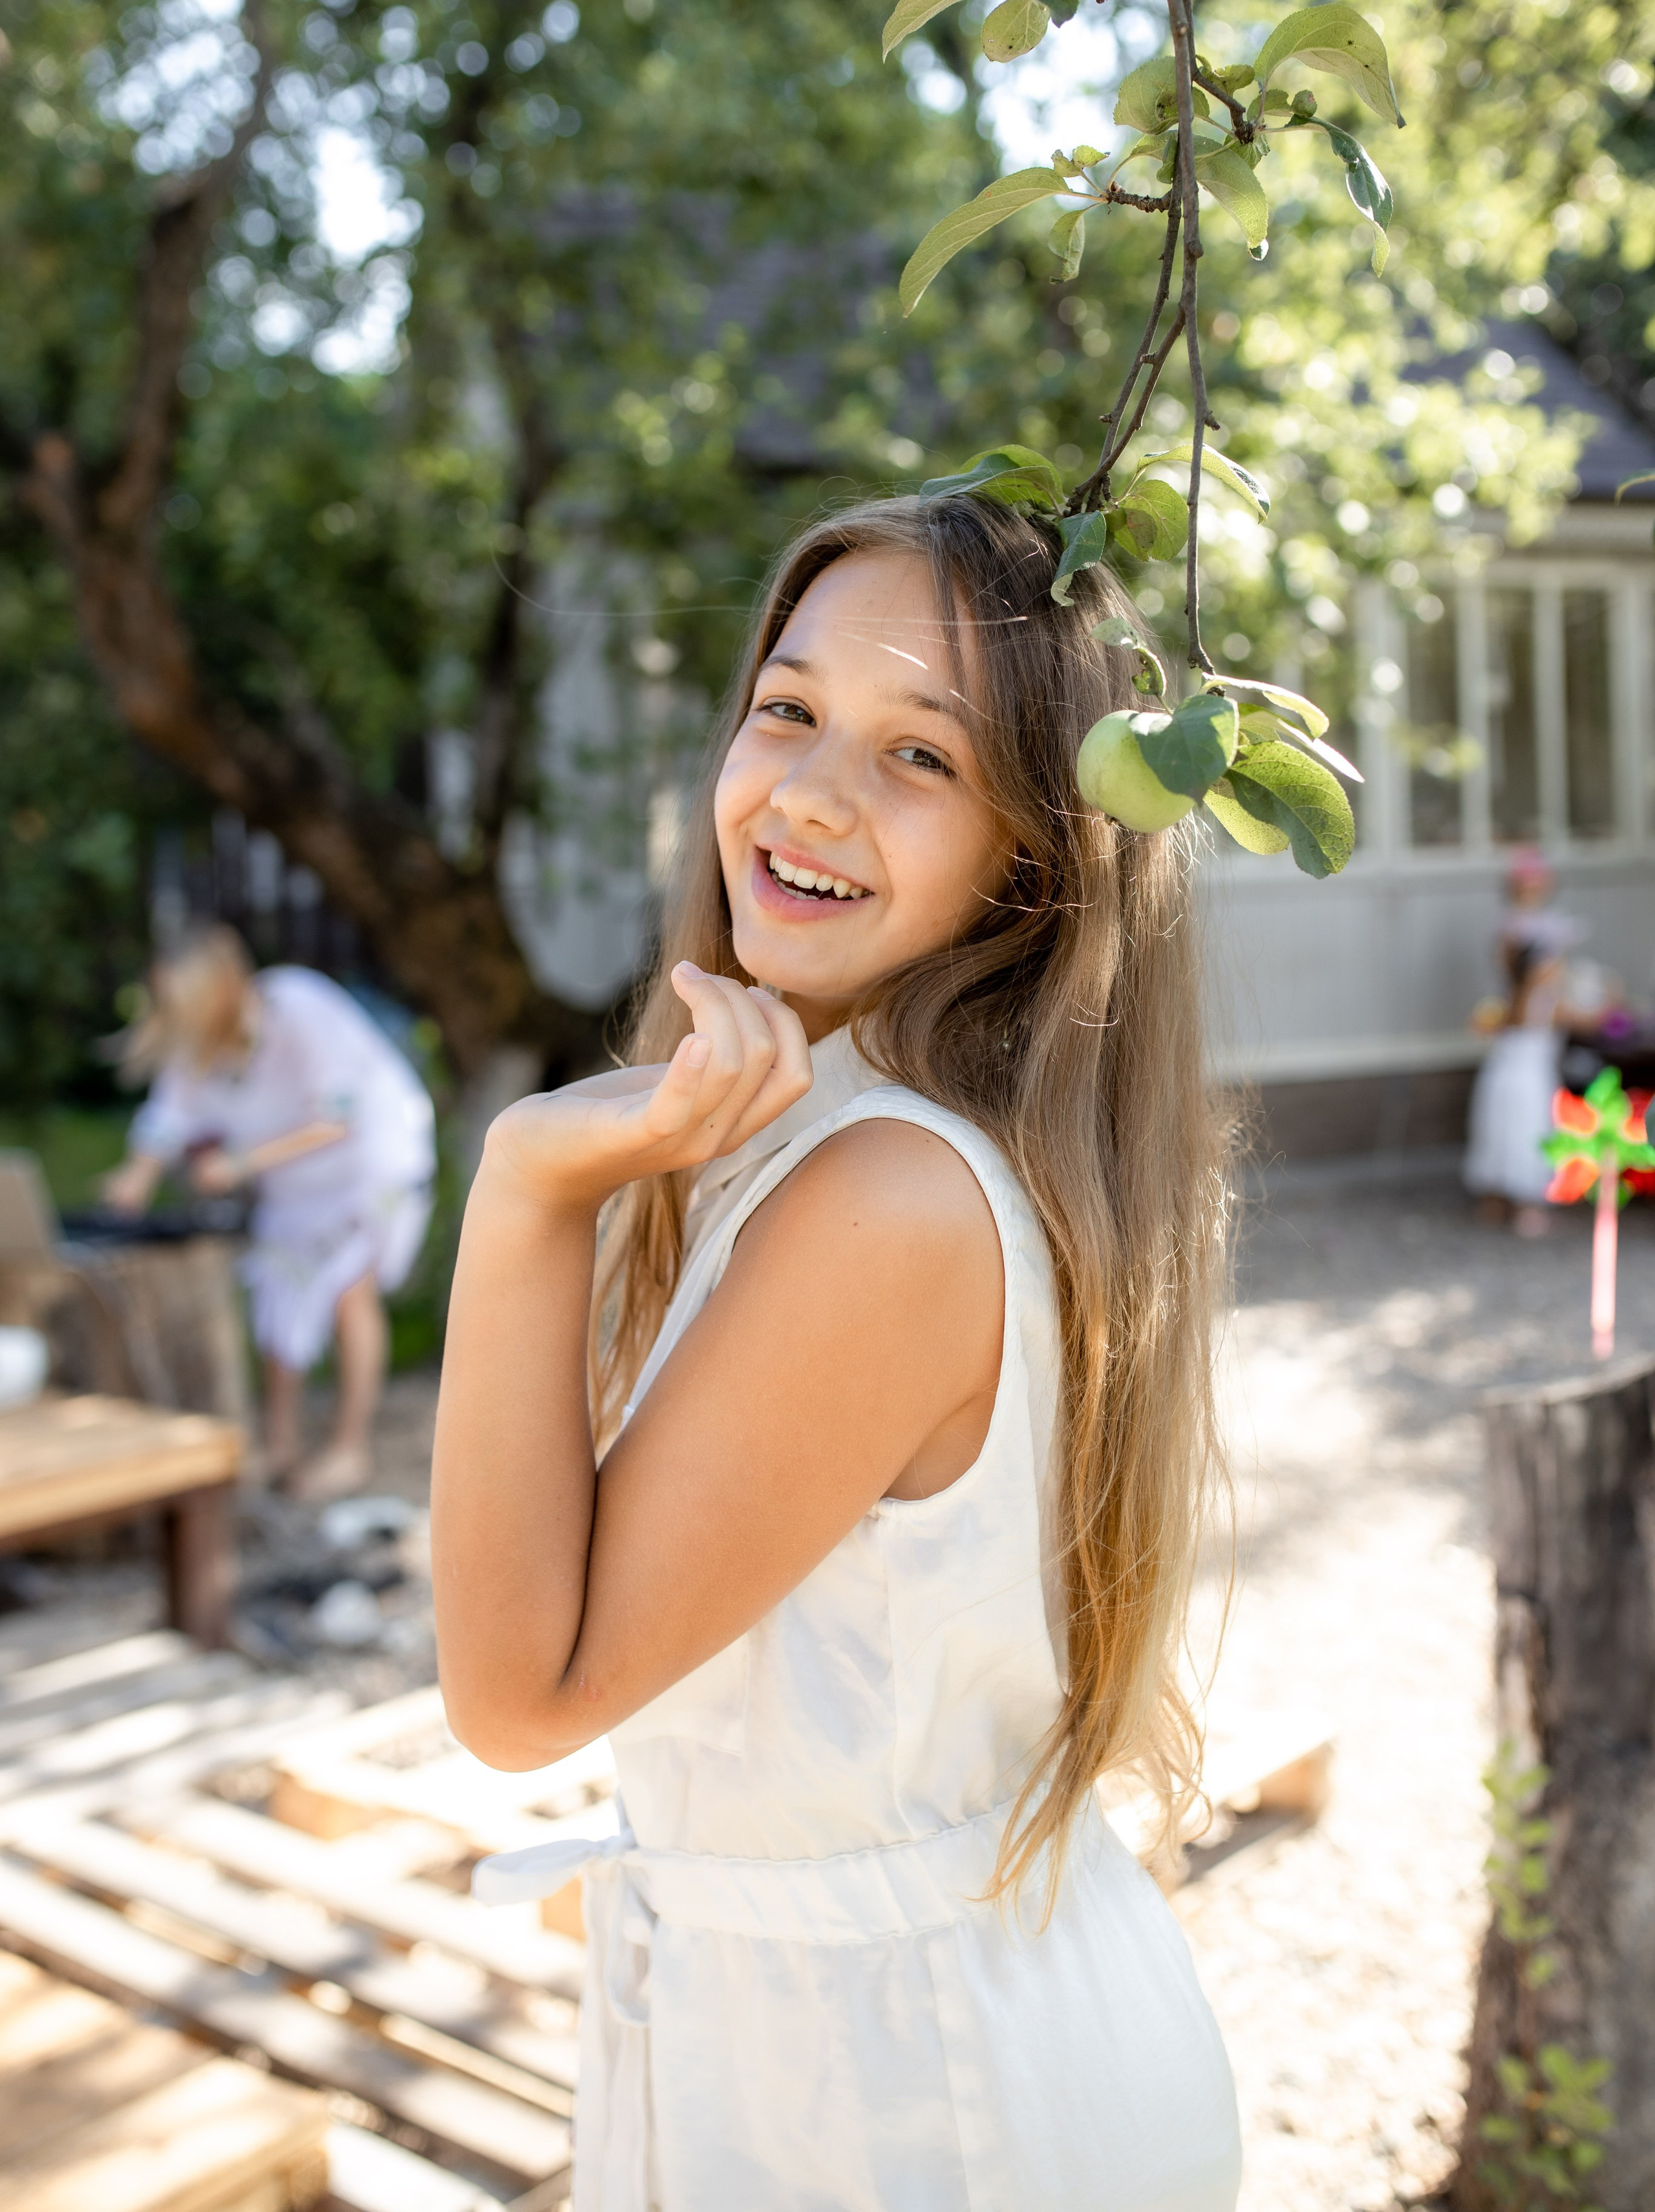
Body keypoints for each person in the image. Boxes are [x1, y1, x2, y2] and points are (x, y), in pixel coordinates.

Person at [432, 495, 1241, 2209]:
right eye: (789, 709)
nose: (807, 791)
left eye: (919, 757)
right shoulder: (880, 1140)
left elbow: (519, 1692)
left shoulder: (891, 1197)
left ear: (1031, 865)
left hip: (901, 2111)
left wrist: (523, 1193)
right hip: (878, 2040)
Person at [103, 925, 436, 1499]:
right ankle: (278, 1444)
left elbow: (338, 1116)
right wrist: (138, 1175)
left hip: (372, 1167)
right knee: (280, 1295)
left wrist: (240, 1163)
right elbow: (169, 1112)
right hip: (297, 1188)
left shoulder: (296, 1007)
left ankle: (347, 1450)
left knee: (347, 1289)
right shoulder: (199, 1043)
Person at [1464, 850, 1586, 1238]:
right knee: (1520, 1121)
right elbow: (1526, 1006)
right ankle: (1515, 1196)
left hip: (1531, 1049)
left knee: (1516, 1118)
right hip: (1523, 1051)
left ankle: (1509, 1196)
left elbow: (1553, 1006)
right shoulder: (1524, 965)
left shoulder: (1544, 961)